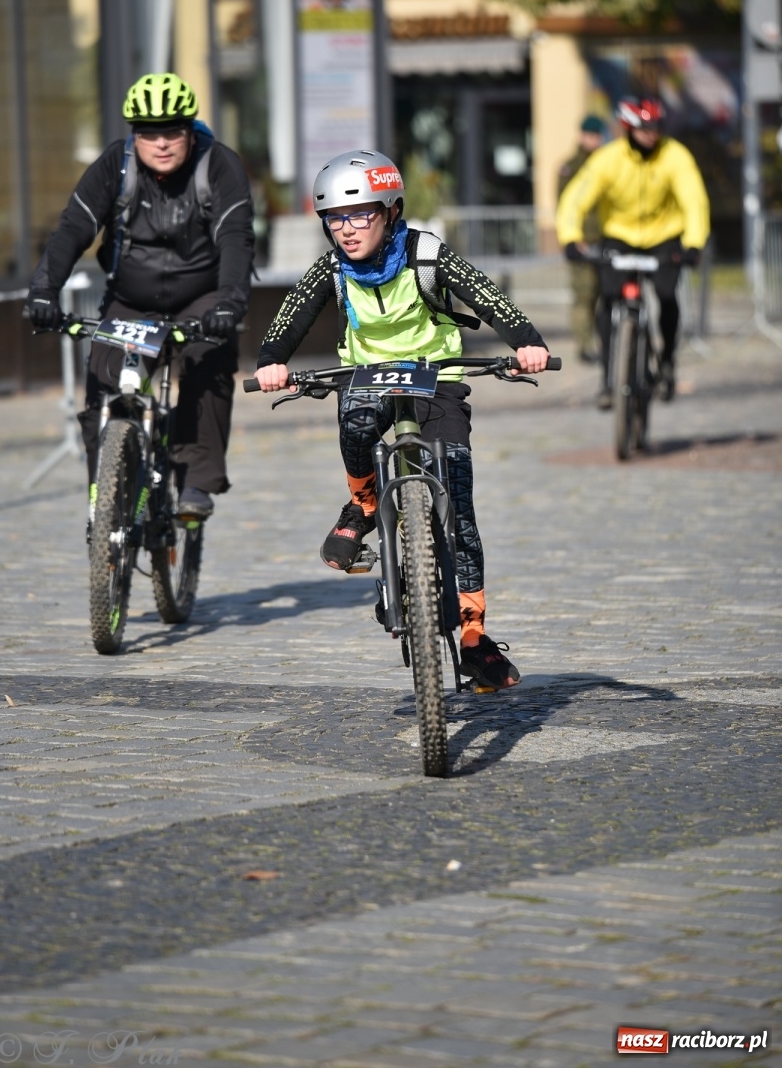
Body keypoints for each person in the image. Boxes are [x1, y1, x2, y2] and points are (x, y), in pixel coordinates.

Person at [253, 149, 550, 692]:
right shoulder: (334, 267)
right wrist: (273, 359)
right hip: (367, 376)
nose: (346, 229)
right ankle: (365, 503)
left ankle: (474, 635)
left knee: (456, 497)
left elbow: (487, 295)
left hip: (437, 375)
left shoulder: (426, 254)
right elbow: (294, 310)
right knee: (357, 427)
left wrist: (527, 342)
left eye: (361, 214)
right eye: (335, 218)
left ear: (390, 211)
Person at [26, 71, 254, 521]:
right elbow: (73, 229)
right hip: (131, 300)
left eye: (173, 131)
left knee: (207, 361)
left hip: (202, 296)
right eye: (149, 133)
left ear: (190, 131)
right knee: (104, 381)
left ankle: (195, 480)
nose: (162, 143)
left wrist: (229, 303)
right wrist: (43, 292)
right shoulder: (116, 165)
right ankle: (106, 497)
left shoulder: (219, 165)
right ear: (135, 134)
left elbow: (236, 238)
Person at [556, 96, 710, 408]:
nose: (651, 135)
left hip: (664, 236)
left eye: (656, 128)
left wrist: (693, 244)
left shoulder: (675, 156)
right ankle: (608, 380)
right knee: (608, 299)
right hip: (620, 236)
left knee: (667, 296)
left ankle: (666, 361)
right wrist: (570, 238)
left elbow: (694, 200)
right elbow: (576, 198)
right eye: (643, 129)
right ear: (628, 128)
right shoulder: (608, 159)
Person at [556, 114, 607, 363]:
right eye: (591, 136)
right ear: (581, 136)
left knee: (606, 294)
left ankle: (608, 341)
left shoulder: (608, 162)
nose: (595, 141)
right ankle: (585, 345)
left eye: (598, 136)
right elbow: (564, 206)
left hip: (606, 239)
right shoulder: (571, 166)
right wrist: (572, 238)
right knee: (584, 296)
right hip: (582, 240)